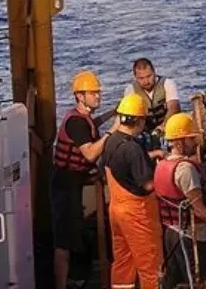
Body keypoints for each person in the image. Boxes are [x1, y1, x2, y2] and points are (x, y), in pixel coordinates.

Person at [52, 70, 119, 289]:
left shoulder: (82, 118)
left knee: (75, 235)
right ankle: (62, 284)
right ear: (80, 96)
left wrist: (112, 113)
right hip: (65, 185)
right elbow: (90, 153)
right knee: (65, 241)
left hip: (74, 182)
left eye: (98, 93)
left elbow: (92, 125)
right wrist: (113, 131)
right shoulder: (76, 123)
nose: (98, 96)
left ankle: (76, 279)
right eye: (93, 93)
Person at [155, 113, 206, 288]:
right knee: (201, 281)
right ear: (179, 142)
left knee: (176, 280)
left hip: (171, 233)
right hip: (192, 237)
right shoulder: (185, 169)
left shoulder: (162, 165)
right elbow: (200, 211)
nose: (196, 143)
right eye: (191, 139)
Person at [103, 93, 164, 289]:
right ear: (137, 120)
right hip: (137, 213)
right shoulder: (132, 148)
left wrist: (148, 156)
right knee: (150, 264)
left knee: (123, 261)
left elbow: (120, 165)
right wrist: (164, 172)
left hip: (116, 210)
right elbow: (148, 185)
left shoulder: (111, 142)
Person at [123, 57, 181, 135]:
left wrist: (162, 127)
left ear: (154, 72)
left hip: (169, 127)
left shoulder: (167, 83)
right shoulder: (131, 90)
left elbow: (174, 108)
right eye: (141, 78)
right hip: (144, 130)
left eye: (149, 76)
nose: (146, 81)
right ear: (135, 77)